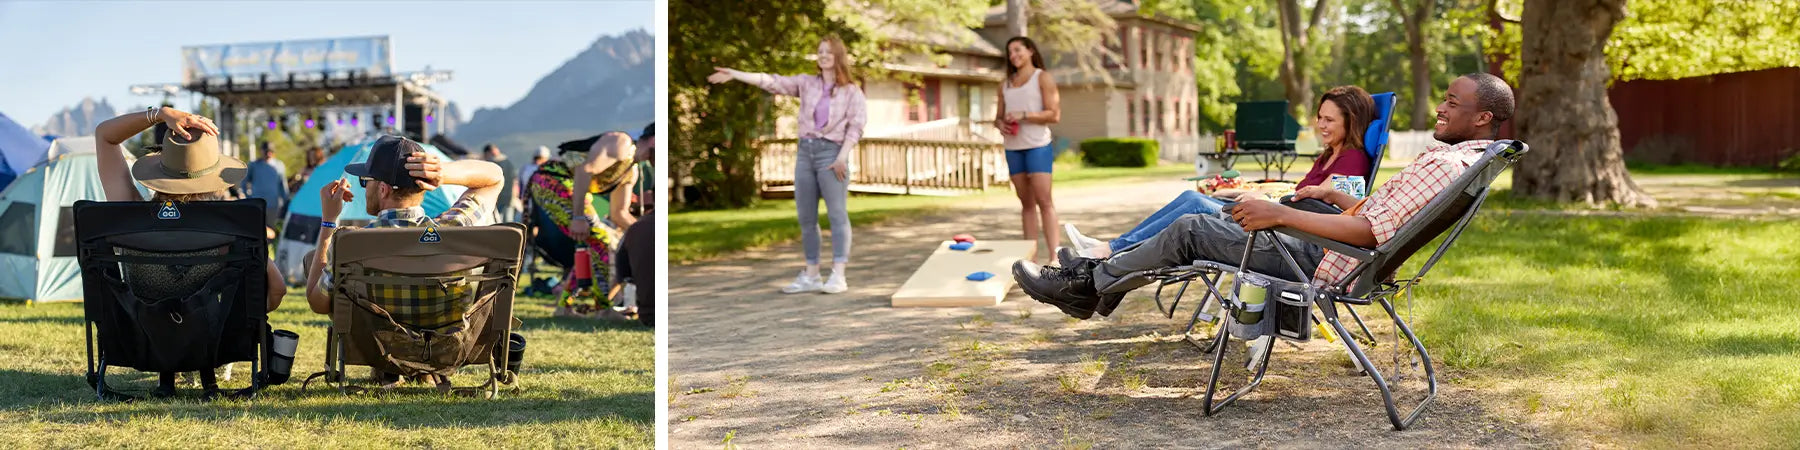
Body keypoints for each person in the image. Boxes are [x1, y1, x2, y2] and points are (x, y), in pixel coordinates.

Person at [1014, 73, 1515, 320]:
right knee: (1205, 219)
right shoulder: (1460, 163)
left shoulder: (1446, 163)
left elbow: (1369, 233)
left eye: (1453, 102)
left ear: (1484, 118)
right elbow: (1375, 216)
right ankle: (1093, 284)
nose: (1441, 108)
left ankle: (1087, 286)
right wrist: (1331, 200)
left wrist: (1279, 213)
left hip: (1322, 261)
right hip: (1330, 248)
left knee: (1193, 225)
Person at [94, 106, 288, 397]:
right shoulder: (233, 228)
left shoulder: (131, 214)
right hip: (214, 337)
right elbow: (278, 290)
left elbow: (104, 136)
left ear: (161, 165)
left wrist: (159, 114)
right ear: (214, 174)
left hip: (143, 334)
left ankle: (167, 378)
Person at [1064, 86, 1377, 258]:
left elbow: (1316, 205)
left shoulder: (1352, 160)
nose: (1321, 125)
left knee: (1194, 203)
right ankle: (1111, 249)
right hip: (1272, 212)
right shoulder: (1329, 155)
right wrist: (1260, 191)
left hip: (1277, 230)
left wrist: (1266, 198)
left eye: (1330, 120)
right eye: (1319, 118)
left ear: (1351, 122)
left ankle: (1109, 250)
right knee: (1198, 196)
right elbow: (1299, 193)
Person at [303, 135, 504, 386]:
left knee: (315, 262)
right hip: (447, 346)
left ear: (384, 189)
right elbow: (494, 177)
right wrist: (443, 173)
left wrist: (328, 223)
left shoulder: (353, 243)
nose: (364, 188)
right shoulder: (455, 228)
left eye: (367, 181)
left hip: (379, 350)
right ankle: (423, 368)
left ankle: (389, 369)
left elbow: (317, 302)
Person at [710, 35, 868, 295]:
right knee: (806, 217)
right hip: (805, 152)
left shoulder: (852, 92)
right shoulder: (806, 84)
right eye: (820, 51)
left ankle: (838, 275)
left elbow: (856, 126)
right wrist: (736, 74)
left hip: (833, 154)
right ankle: (812, 274)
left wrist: (842, 156)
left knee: (837, 215)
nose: (823, 55)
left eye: (828, 52)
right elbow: (772, 81)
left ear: (838, 56)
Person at [526, 132, 639, 318]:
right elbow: (584, 169)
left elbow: (620, 214)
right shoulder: (622, 142)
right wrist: (578, 217)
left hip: (566, 184)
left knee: (595, 242)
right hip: (553, 177)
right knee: (600, 240)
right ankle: (602, 309)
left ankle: (564, 308)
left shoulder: (632, 170)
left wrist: (648, 234)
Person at [996, 36, 1064, 263]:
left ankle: (1055, 257)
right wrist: (1000, 124)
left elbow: (1054, 114)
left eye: (1018, 50)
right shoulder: (1004, 84)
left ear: (1031, 51)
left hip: (1037, 146)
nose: (1013, 55)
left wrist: (1024, 115)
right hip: (1013, 148)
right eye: (1010, 52)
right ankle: (1031, 259)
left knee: (1044, 202)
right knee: (1026, 204)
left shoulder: (1042, 78)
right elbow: (997, 118)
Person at [241, 142, 290, 225]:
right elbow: (244, 182)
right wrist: (249, 197)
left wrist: (286, 201)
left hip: (274, 205)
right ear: (261, 151)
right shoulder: (254, 165)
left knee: (271, 231)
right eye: (266, 151)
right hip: (258, 205)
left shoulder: (279, 165)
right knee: (257, 228)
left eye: (271, 151)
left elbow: (283, 185)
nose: (268, 153)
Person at [484, 144, 520, 224]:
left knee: (496, 224)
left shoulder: (491, 164)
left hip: (496, 199)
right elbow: (515, 181)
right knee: (508, 224)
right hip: (510, 198)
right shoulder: (508, 162)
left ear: (487, 153)